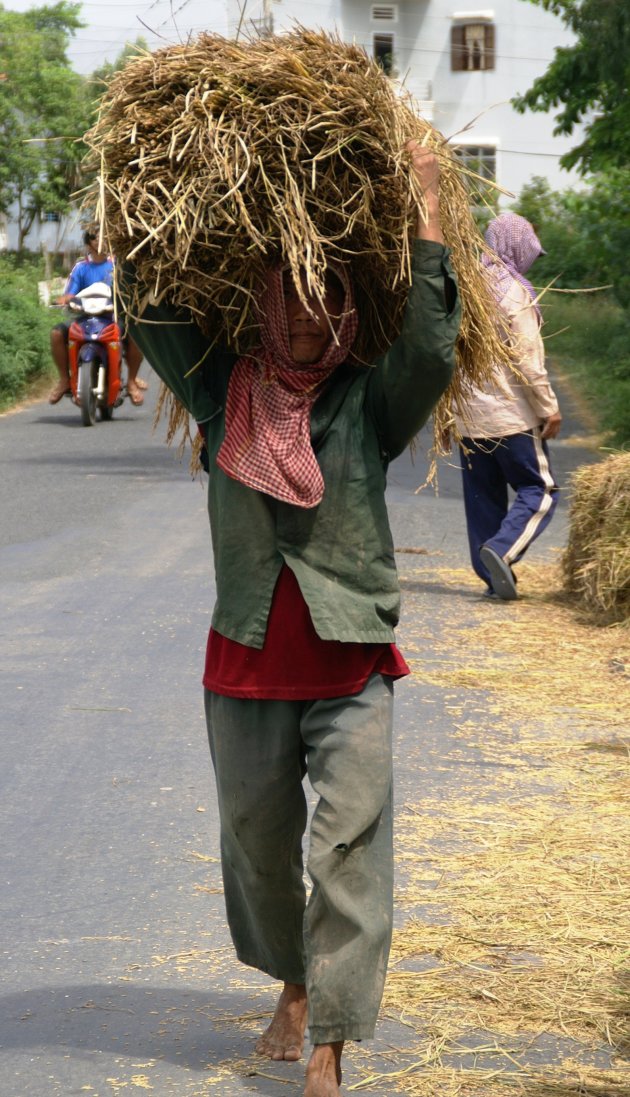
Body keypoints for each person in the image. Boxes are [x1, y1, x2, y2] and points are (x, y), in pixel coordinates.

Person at [120, 143, 460, 1097]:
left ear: (345, 307)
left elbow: (430, 348)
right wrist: (136, 211)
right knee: (257, 845)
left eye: (325, 295)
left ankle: (333, 1041)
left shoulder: (368, 404)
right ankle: (295, 982)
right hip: (245, 660)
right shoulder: (219, 391)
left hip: (349, 658)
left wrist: (427, 206)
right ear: (265, 304)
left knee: (348, 842)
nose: (307, 315)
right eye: (290, 294)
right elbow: (153, 316)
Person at [451, 212, 562, 601]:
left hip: (467, 418)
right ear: (518, 247)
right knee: (540, 490)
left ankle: (492, 578)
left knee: (484, 499)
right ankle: (501, 551)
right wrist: (549, 407)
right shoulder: (514, 292)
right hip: (511, 416)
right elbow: (528, 358)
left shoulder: (464, 287)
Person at [48, 228, 147, 407]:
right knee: (56, 333)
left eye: (103, 237)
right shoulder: (81, 268)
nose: (100, 241)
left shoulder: (117, 265)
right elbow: (70, 293)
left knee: (137, 335)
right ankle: (64, 379)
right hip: (84, 318)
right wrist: (65, 299)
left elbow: (130, 288)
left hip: (112, 318)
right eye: (95, 238)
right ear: (88, 243)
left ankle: (131, 381)